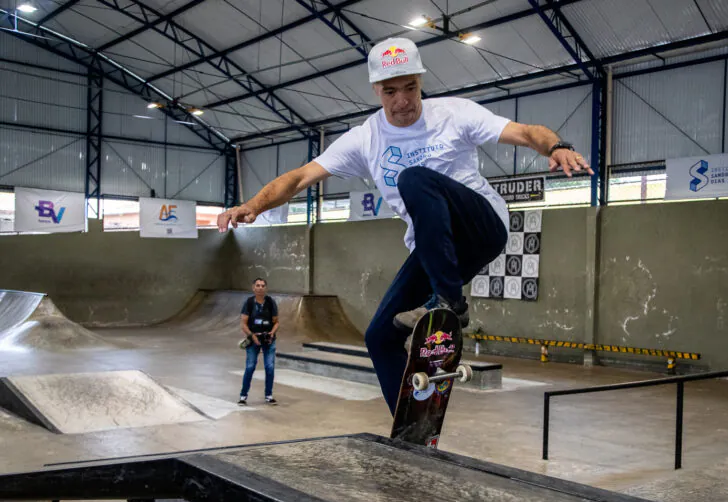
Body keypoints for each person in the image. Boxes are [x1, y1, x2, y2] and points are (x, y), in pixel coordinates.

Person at [219, 37, 593, 415]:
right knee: (380, 336)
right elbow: (301, 177)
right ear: (376, 91)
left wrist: (557, 146)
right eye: (390, 91)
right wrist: (254, 205)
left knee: (413, 178)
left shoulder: (454, 113)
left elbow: (527, 132)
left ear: (420, 82)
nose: (402, 101)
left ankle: (450, 303)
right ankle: (413, 416)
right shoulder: (365, 138)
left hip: (483, 226)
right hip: (434, 250)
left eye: (410, 88)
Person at [238, 278, 279, 405]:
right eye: (258, 285)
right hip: (253, 340)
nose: (260, 288)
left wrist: (272, 333)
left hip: (268, 340)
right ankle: (243, 396)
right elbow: (243, 324)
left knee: (270, 367)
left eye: (263, 285)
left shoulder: (271, 302)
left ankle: (268, 395)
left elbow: (276, 322)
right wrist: (252, 336)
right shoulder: (249, 303)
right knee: (250, 367)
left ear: (266, 288)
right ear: (253, 288)